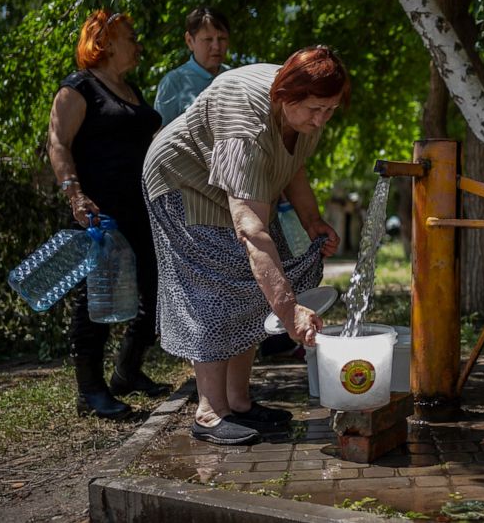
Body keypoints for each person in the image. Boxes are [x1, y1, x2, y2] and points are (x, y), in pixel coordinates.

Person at [143, 46, 345, 445]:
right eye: (315, 110)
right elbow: (252, 233)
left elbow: (291, 163)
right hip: (183, 182)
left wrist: (311, 219)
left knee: (255, 288)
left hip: (236, 189)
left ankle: (238, 402)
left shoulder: (305, 108)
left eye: (330, 110)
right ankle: (209, 412)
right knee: (216, 289)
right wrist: (289, 311)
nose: (322, 119)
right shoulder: (246, 124)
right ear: (286, 97)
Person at [46, 9, 170, 420]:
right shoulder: (78, 87)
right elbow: (58, 143)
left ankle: (127, 371)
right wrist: (75, 195)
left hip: (142, 209)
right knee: (94, 300)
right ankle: (90, 391)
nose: (138, 44)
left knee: (155, 292)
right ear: (105, 40)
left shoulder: (130, 89)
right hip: (100, 214)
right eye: (130, 36)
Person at [152, 7, 230, 126]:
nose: (216, 46)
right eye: (208, 39)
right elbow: (161, 134)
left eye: (222, 39)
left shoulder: (236, 77)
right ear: (189, 41)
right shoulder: (174, 83)